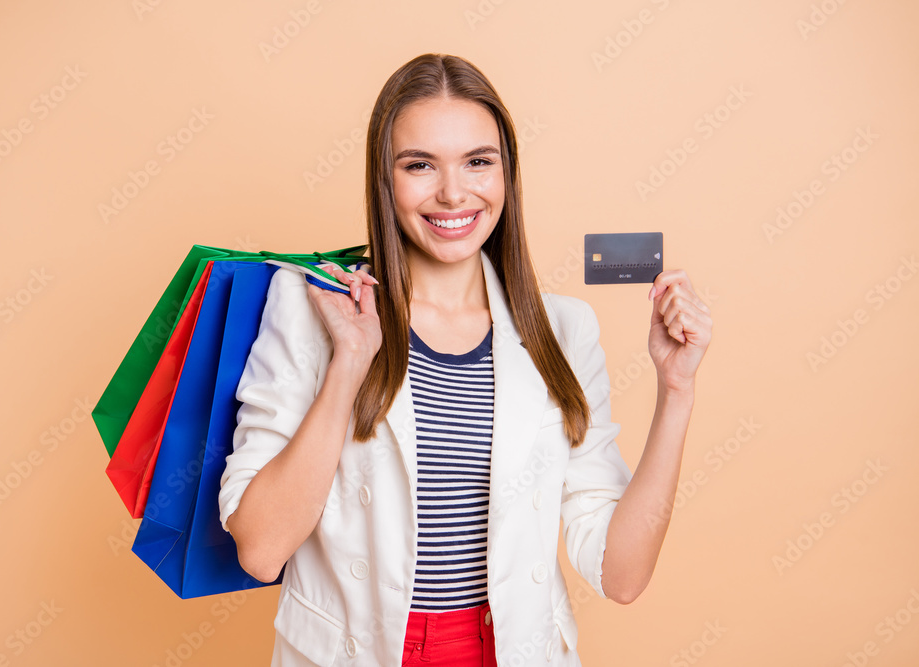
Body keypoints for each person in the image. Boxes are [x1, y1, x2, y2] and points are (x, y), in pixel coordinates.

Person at [219, 53, 712, 667]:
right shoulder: (311, 307)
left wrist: (676, 390)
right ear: (384, 179)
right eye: (420, 165)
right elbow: (261, 549)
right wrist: (349, 365)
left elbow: (623, 576)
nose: (453, 192)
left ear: (507, 175)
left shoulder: (564, 330)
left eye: (479, 162)